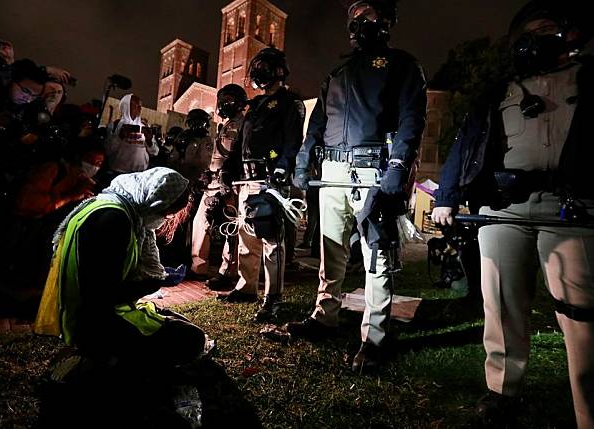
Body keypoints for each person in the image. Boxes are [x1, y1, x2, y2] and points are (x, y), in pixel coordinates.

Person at [432, 1, 594, 426]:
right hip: (503, 207)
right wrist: (446, 195)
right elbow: (466, 142)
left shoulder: (589, 78)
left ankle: (588, 404)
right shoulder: (498, 90)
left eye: (547, 28)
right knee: (501, 301)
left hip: (572, 207)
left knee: (580, 311)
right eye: (528, 30)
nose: (537, 37)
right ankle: (502, 389)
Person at [286, 0, 427, 374]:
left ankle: (375, 337)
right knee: (329, 253)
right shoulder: (338, 71)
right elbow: (317, 122)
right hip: (331, 172)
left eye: (372, 16)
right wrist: (303, 160)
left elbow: (412, 119)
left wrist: (398, 168)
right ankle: (324, 316)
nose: (363, 22)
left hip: (373, 173)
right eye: (357, 16)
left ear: (388, 22)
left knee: (376, 256)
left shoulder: (402, 65)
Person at [34, 167, 206, 368]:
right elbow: (101, 296)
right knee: (193, 338)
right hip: (93, 326)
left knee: (173, 318)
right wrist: (151, 284)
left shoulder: (107, 204)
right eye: (165, 213)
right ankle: (111, 359)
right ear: (153, 200)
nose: (163, 220)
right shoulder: (116, 220)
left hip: (87, 316)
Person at [218, 47, 305, 322]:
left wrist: (282, 167)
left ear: (278, 69)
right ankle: (246, 288)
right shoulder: (253, 106)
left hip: (270, 180)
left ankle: (273, 298)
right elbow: (241, 145)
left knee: (271, 240)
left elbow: (293, 140)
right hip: (246, 178)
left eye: (263, 66)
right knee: (245, 238)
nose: (258, 71)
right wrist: (228, 171)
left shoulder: (290, 102)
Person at [190, 84, 247, 287]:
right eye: (221, 100)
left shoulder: (244, 124)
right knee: (201, 223)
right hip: (212, 181)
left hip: (230, 184)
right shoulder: (225, 124)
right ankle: (198, 268)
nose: (223, 105)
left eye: (228, 100)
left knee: (229, 228)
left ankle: (228, 271)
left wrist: (229, 179)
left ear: (239, 103)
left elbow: (238, 154)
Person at [104, 93, 159, 176]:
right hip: (118, 173)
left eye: (140, 106)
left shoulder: (145, 127)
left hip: (139, 175)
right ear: (126, 106)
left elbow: (155, 152)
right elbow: (108, 150)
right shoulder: (115, 126)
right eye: (136, 106)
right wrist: (120, 136)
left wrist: (149, 140)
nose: (140, 108)